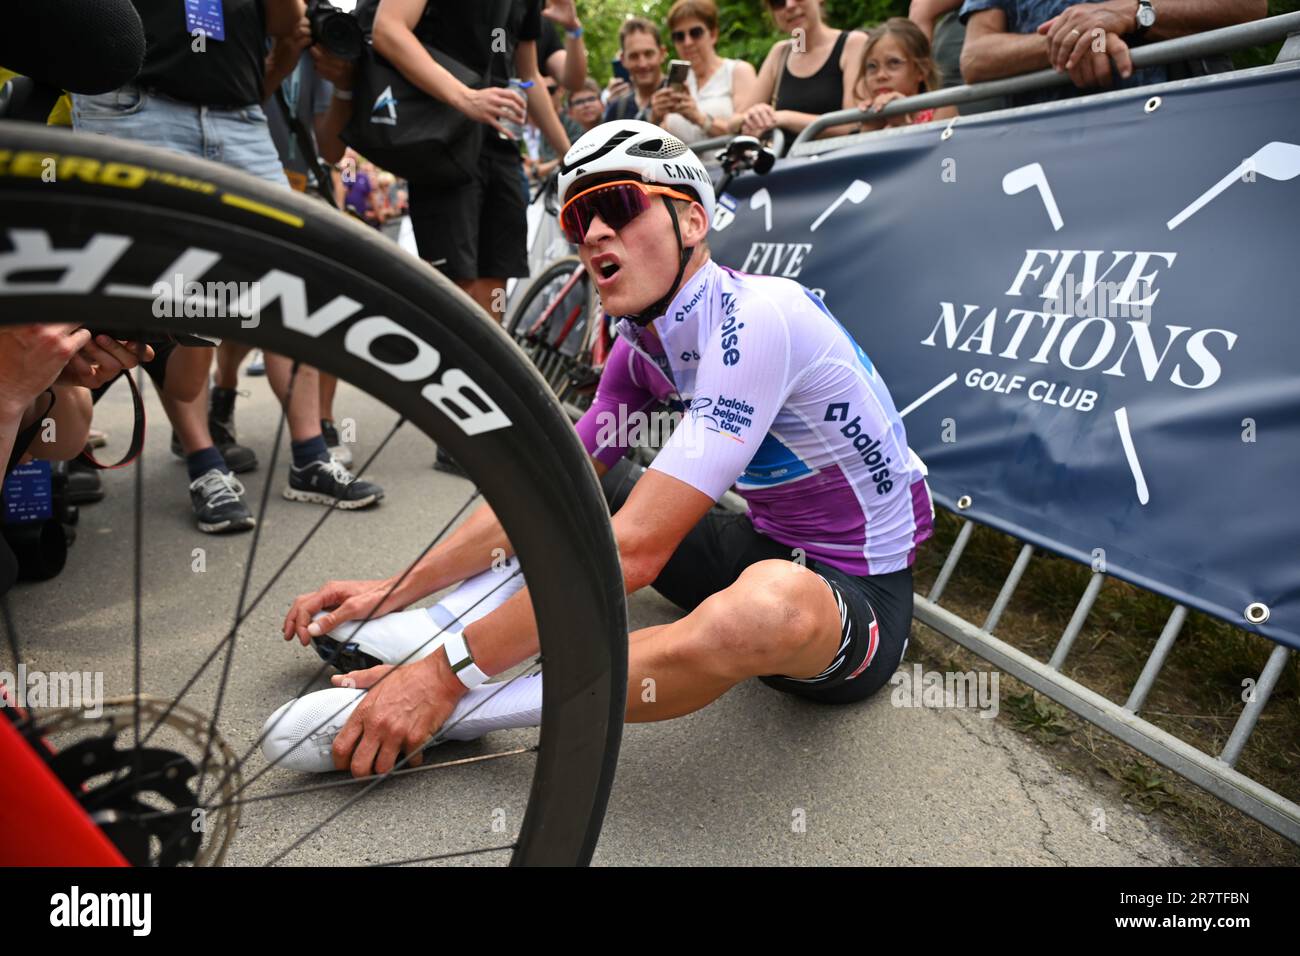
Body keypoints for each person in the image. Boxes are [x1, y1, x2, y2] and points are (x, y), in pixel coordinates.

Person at [267, 120, 934, 778]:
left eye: (617, 204)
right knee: (566, 487)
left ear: (693, 223)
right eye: (577, 219)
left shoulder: (757, 317)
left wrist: (445, 681)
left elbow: (634, 554)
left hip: (854, 594)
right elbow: (544, 495)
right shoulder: (641, 343)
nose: (592, 234)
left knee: (763, 606)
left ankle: (460, 708)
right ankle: (446, 621)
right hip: (758, 542)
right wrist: (393, 589)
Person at [70, 0, 384, 533]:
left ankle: (310, 454)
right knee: (172, 294)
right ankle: (203, 461)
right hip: (133, 103)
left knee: (290, 283)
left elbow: (288, 26)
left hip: (238, 111)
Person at [959, 0, 1266, 106]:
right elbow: (974, 58)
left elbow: (1248, 9)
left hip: (1178, 129)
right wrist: (1081, 37)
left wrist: (1135, 12)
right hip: (1044, 153)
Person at [732, 0, 867, 140]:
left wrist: (784, 118)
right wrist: (756, 114)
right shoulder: (781, 53)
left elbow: (853, 123)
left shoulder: (852, 44)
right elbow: (734, 122)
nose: (790, 5)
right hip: (788, 160)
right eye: (778, 3)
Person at [655, 0, 758, 143]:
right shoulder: (677, 82)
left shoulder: (737, 72)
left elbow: (751, 131)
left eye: (695, 33)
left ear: (713, 34)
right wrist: (656, 117)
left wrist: (699, 118)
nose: (687, 42)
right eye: (679, 36)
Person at [854, 18, 958, 131]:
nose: (881, 75)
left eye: (894, 63)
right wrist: (870, 129)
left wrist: (901, 125)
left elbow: (937, 148)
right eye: (872, 66)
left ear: (921, 70)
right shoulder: (870, 117)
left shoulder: (941, 109)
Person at [602, 17, 666, 123]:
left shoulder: (682, 97)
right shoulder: (617, 110)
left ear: (662, 53)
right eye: (634, 56)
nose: (642, 64)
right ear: (623, 59)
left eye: (649, 54)